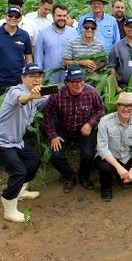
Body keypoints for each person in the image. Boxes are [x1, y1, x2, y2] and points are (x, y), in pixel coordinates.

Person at [0, 63, 49, 223]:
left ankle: (20, 191)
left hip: (16, 141)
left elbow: (48, 98)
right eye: (32, 76)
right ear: (23, 78)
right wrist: (30, 96)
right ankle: (9, 208)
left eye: (39, 76)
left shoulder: (38, 94)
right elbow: (21, 99)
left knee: (33, 160)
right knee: (18, 171)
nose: (36, 80)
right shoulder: (17, 91)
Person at [43, 65, 105, 193]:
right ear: (66, 83)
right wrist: (53, 135)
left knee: (89, 154)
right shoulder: (56, 93)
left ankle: (83, 176)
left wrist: (90, 124)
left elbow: (100, 110)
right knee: (55, 156)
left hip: (84, 129)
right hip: (63, 129)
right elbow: (47, 115)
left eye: (81, 80)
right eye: (74, 82)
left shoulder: (91, 91)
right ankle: (70, 176)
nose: (78, 84)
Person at [95, 92, 132, 202]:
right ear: (117, 106)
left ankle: (123, 176)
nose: (126, 109)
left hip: (127, 156)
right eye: (122, 105)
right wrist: (118, 167)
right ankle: (106, 187)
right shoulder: (105, 122)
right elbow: (102, 148)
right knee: (105, 168)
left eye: (130, 106)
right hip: (109, 157)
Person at [0, 6, 33, 99]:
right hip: (0, 81)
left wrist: (28, 78)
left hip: (19, 81)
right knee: (0, 110)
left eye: (17, 16)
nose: (13, 18)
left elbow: (29, 58)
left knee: (19, 108)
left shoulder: (24, 35)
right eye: (11, 15)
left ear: (20, 19)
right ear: (5, 16)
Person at [35, 3, 78, 83]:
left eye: (64, 16)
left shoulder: (73, 33)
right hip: (49, 77)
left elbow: (77, 55)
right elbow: (39, 58)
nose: (62, 18)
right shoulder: (43, 33)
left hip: (69, 77)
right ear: (53, 16)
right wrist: (38, 76)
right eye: (59, 16)